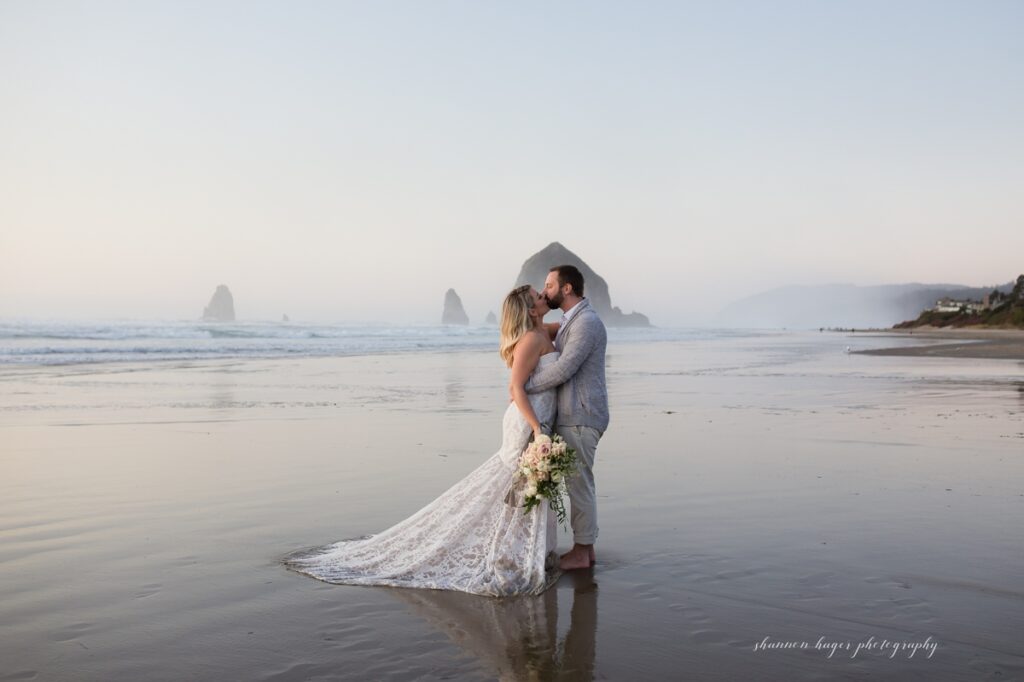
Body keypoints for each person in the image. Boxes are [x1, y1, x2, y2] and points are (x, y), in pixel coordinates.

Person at [284, 285, 562, 597]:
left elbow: (569, 326)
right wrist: (538, 428)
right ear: (531, 310)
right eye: (539, 296)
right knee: (513, 485)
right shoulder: (532, 340)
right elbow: (515, 389)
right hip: (527, 423)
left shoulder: (542, 332)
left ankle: (523, 550)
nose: (543, 296)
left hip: (537, 421)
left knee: (524, 486)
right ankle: (509, 552)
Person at [524, 265, 608, 571]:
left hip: (582, 415)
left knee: (579, 484)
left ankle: (582, 551)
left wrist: (523, 386)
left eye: (549, 285)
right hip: (577, 414)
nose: (545, 291)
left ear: (567, 289)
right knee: (578, 482)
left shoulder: (586, 323)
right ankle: (586, 549)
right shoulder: (572, 321)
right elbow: (543, 335)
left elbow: (564, 368)